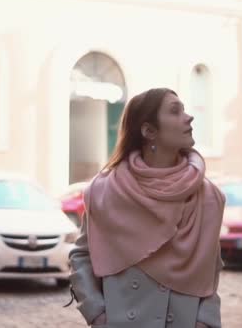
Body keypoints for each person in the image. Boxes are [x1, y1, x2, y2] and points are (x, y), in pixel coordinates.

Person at [66, 88, 225, 328]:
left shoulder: (207, 196)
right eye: (175, 111)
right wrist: (96, 313)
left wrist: (205, 320)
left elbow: (211, 267)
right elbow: (82, 256)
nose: (188, 117)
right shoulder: (108, 190)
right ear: (149, 131)